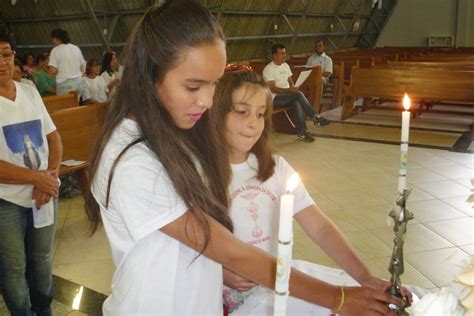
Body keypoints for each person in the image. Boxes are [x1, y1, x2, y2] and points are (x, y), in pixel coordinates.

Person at [85, 1, 404, 315]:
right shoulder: (132, 161)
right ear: (148, 76)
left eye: (212, 85)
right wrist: (340, 299)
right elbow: (226, 247)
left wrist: (363, 279)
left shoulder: (173, 130)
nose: (208, 101)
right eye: (194, 86)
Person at [210, 67, 412, 314]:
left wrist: (364, 277)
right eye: (242, 112)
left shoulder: (276, 169)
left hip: (281, 283)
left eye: (261, 114)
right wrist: (218, 271)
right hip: (226, 298)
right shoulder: (200, 175)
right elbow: (188, 244)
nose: (253, 123)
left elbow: (319, 227)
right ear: (216, 113)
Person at [0, 27, 62, 316]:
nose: (2, 62)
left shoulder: (28, 90)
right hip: (6, 201)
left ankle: (43, 308)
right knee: (13, 267)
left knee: (42, 258)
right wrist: (37, 178)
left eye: (6, 54)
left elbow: (53, 137)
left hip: (43, 194)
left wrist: (49, 177)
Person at [263, 43, 330, 143]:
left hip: (287, 95)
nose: (285, 56)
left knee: (297, 101)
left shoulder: (285, 66)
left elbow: (290, 81)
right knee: (298, 95)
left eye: (285, 53)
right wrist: (290, 91)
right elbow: (273, 89)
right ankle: (315, 117)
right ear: (274, 55)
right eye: (282, 54)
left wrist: (293, 86)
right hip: (274, 98)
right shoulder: (268, 69)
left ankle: (302, 133)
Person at [48, 28, 86, 97]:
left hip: (64, 84)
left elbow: (53, 70)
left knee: (65, 107)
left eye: (52, 39)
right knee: (76, 106)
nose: (52, 41)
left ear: (57, 38)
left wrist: (51, 74)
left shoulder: (55, 50)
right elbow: (82, 67)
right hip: (78, 83)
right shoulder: (76, 48)